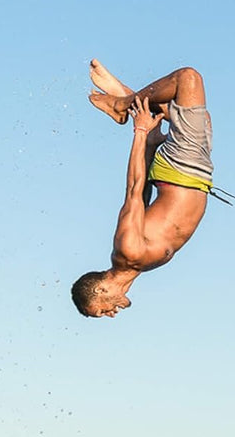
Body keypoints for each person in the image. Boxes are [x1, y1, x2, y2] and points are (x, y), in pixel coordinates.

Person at [71, 62, 224, 318]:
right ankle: (122, 97)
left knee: (187, 79)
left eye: (101, 311)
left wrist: (141, 133)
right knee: (174, 109)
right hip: (196, 173)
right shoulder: (139, 264)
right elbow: (144, 199)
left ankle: (120, 104)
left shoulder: (127, 251)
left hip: (181, 170)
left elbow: (133, 190)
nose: (110, 314)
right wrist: (151, 146)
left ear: (99, 290)